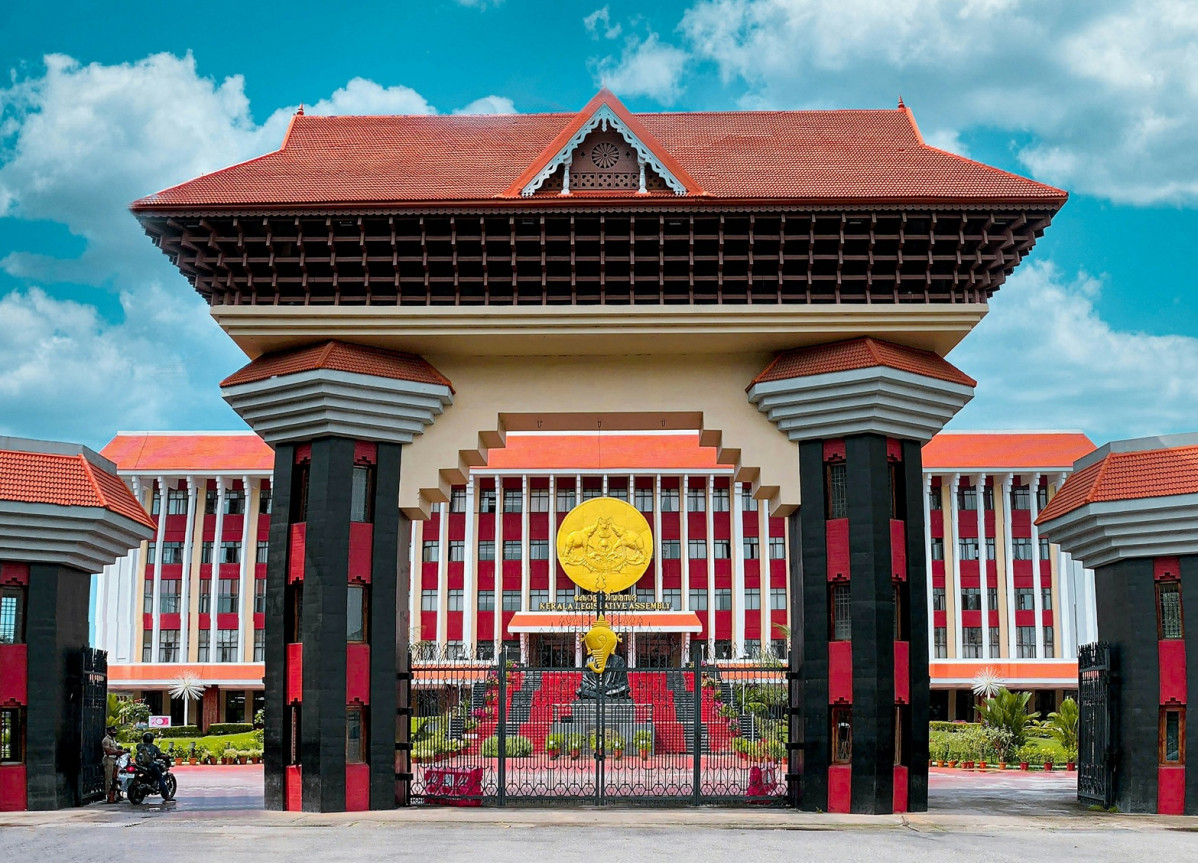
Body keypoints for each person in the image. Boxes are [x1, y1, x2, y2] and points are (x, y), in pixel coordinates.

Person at [135, 731, 170, 799]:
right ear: (152, 739)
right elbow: (159, 755)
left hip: (139, 765)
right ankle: (167, 796)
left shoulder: (139, 746)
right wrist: (166, 756)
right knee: (160, 777)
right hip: (149, 765)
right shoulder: (154, 747)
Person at [101, 725, 124, 803]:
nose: (114, 732)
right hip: (109, 759)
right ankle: (109, 795)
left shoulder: (113, 739)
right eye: (113, 731)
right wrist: (118, 752)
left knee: (115, 778)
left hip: (114, 759)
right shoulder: (106, 740)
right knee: (109, 778)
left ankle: (115, 795)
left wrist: (119, 752)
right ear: (108, 731)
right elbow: (108, 751)